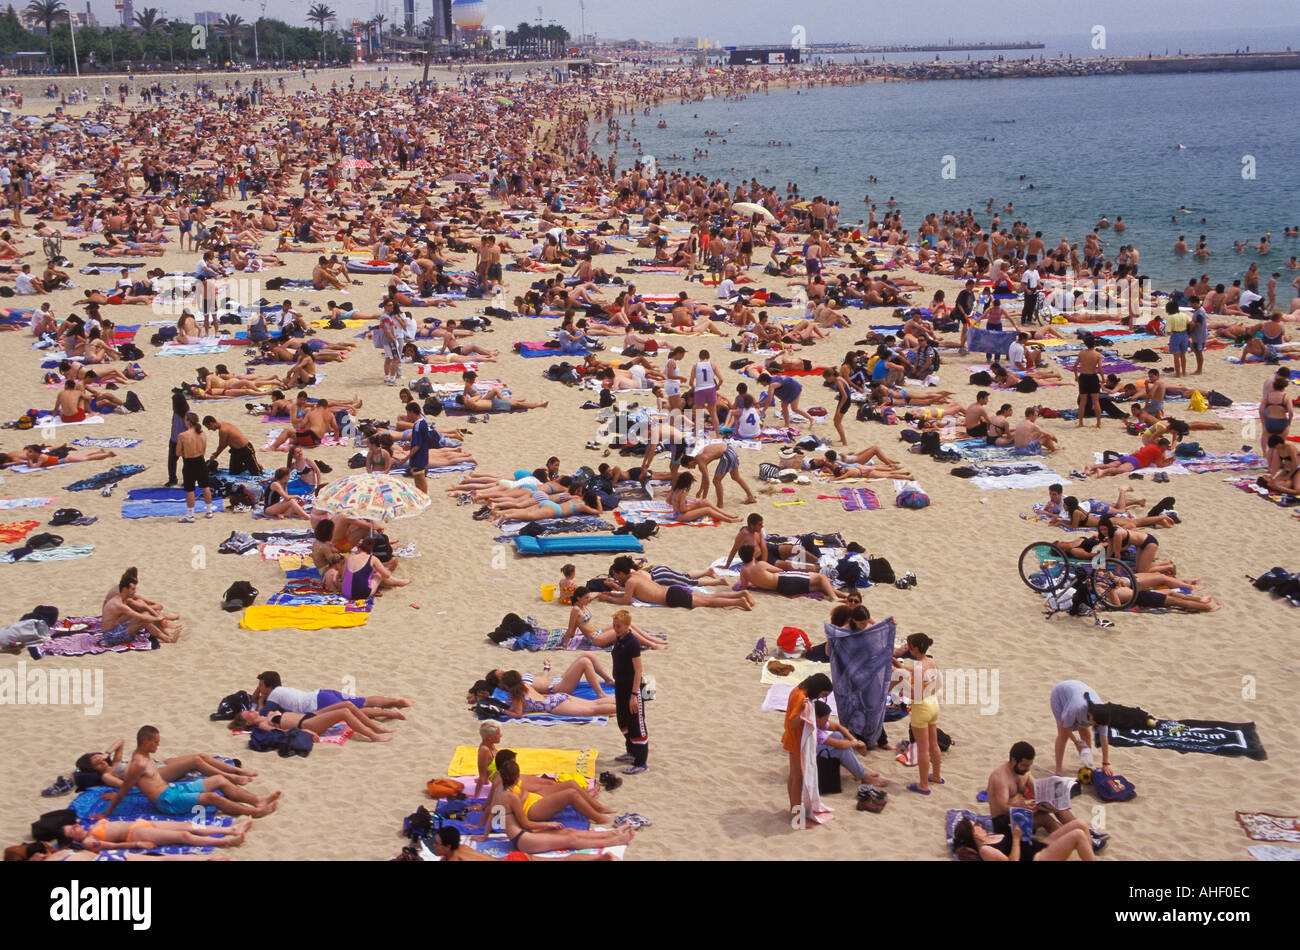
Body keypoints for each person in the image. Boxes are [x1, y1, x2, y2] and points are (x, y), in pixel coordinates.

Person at [93, 726, 280, 820]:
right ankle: (254, 812)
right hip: (167, 802)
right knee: (213, 798)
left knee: (218, 780)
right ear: (146, 743)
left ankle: (257, 800)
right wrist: (107, 813)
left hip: (172, 790)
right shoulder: (137, 764)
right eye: (155, 742)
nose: (158, 745)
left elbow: (121, 742)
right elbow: (126, 788)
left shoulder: (144, 755)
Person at [472, 755, 634, 855]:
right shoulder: (511, 797)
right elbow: (525, 823)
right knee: (570, 839)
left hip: (523, 834)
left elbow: (494, 812)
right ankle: (616, 840)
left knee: (569, 831)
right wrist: (549, 824)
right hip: (522, 839)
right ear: (515, 778)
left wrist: (484, 834)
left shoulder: (500, 789)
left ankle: (614, 832)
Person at [896, 633, 942, 794]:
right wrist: (899, 666)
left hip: (921, 708)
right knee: (934, 744)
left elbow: (916, 695)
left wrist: (902, 690)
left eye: (909, 646)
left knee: (923, 748)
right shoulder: (930, 661)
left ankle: (923, 785)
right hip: (933, 704)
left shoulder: (919, 667)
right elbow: (936, 682)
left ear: (915, 648)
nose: (907, 648)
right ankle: (936, 776)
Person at [783, 672, 832, 818]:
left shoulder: (798, 690)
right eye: (823, 694)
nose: (822, 698)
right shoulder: (801, 698)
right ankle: (797, 813)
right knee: (797, 777)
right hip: (797, 740)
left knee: (793, 776)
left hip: (793, 739)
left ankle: (794, 808)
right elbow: (793, 723)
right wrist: (805, 712)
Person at [950, 815, 1097, 862]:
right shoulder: (986, 850)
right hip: (1037, 857)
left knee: (1081, 824)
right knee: (1077, 835)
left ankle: (1090, 856)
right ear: (972, 833)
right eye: (975, 825)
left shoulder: (989, 835)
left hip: (1038, 844)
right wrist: (1015, 838)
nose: (979, 824)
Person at [813, 700, 888, 787]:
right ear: (816, 717)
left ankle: (859, 772)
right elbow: (840, 745)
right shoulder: (813, 729)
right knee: (842, 751)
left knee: (838, 735)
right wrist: (856, 744)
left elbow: (838, 727)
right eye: (825, 719)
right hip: (811, 762)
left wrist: (855, 741)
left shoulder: (817, 722)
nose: (827, 721)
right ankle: (863, 776)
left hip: (816, 752)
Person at [609, 610, 649, 774]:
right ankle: (631, 751)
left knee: (636, 725)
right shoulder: (619, 639)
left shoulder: (632, 643)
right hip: (620, 686)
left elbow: (638, 670)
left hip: (633, 688)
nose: (615, 629)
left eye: (618, 626)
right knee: (622, 721)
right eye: (614, 626)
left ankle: (641, 763)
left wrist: (634, 695)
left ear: (627, 626)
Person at [736, 545, 845, 600]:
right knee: (821, 578)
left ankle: (845, 596)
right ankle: (835, 598)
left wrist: (756, 582)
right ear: (753, 555)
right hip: (786, 579)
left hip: (783, 589)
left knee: (820, 586)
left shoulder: (744, 571)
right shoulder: (760, 565)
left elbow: (745, 585)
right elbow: (780, 571)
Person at [1051, 680, 1113, 776]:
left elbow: (1104, 738)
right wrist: (1076, 742)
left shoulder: (1103, 715)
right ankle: (1058, 770)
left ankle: (1088, 764)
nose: (1097, 727)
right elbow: (1064, 726)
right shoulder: (1075, 708)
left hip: (1078, 692)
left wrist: (1106, 763)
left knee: (1086, 734)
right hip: (1060, 694)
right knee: (1063, 735)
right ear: (1091, 717)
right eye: (1096, 724)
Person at [498, 670, 616, 718]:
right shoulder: (525, 685)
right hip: (557, 697)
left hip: (553, 706)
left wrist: (502, 710)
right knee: (593, 703)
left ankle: (622, 709)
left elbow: (518, 714)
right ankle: (620, 700)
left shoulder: (515, 694)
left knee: (593, 710)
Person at [686, 441, 757, 507]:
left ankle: (720, 504)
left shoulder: (700, 461)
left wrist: (704, 499)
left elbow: (707, 483)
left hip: (727, 455)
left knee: (716, 481)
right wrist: (700, 491)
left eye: (688, 467)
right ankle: (751, 497)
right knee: (736, 477)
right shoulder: (698, 456)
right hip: (730, 450)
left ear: (689, 462)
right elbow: (704, 477)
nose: (689, 468)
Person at [176, 412, 214, 522]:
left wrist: (186, 453)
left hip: (189, 462)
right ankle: (209, 511)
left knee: (190, 489)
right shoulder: (202, 434)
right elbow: (204, 450)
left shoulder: (182, 435)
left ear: (188, 421)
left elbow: (178, 452)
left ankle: (190, 515)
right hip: (200, 461)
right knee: (205, 486)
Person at [1074, 335, 1104, 428]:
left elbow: (1075, 366)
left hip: (1083, 376)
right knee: (1096, 401)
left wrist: (1076, 376)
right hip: (1092, 377)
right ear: (1094, 344)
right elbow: (1099, 368)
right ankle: (1098, 422)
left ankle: (1080, 422)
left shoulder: (1081, 353)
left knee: (1083, 401)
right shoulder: (1098, 355)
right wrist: (1103, 378)